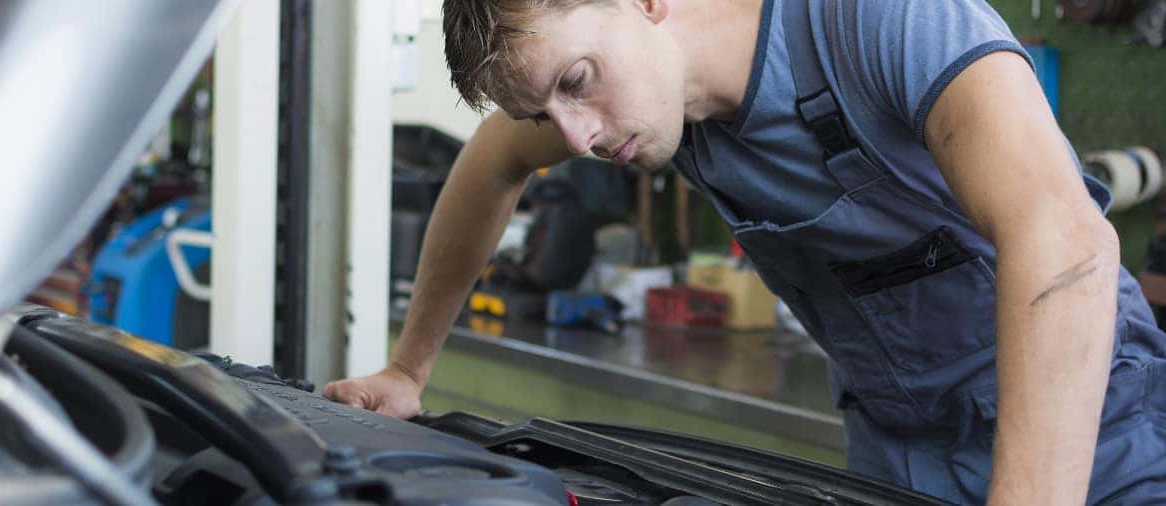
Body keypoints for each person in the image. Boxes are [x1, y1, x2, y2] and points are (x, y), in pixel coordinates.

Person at [324, 0, 1166, 503]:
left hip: (1095, 430)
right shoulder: (647, 107)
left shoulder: (874, 22)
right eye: (544, 113)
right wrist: (408, 371)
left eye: (577, 81)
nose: (574, 136)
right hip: (898, 448)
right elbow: (488, 165)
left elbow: (1061, 237)